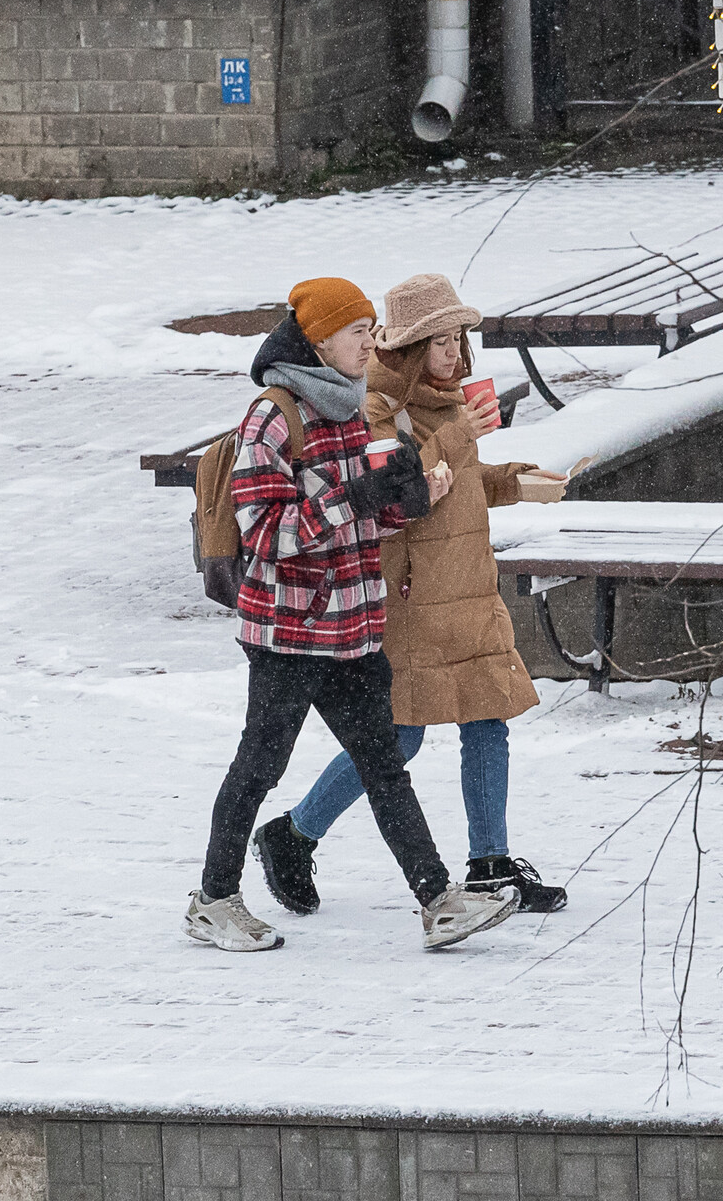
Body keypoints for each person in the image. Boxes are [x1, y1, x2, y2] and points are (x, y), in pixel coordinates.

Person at [185, 277, 523, 953]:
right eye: (355, 332)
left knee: (384, 766)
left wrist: (412, 495)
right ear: (318, 341)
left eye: (372, 329)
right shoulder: (274, 417)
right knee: (260, 764)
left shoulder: (363, 411)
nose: (370, 342)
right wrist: (358, 496)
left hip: (355, 627)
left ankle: (438, 902)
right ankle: (213, 899)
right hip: (288, 631)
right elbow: (269, 533)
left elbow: (383, 511)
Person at [250, 273, 570, 918]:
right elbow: (405, 488)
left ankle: (488, 864)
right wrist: (463, 440)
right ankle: (293, 833)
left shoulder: (449, 401)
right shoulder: (375, 407)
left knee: (488, 721)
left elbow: (460, 478)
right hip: (411, 598)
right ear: (407, 347)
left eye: (459, 340)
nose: (455, 354)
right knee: (399, 737)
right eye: (440, 342)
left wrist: (513, 482)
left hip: (469, 591)